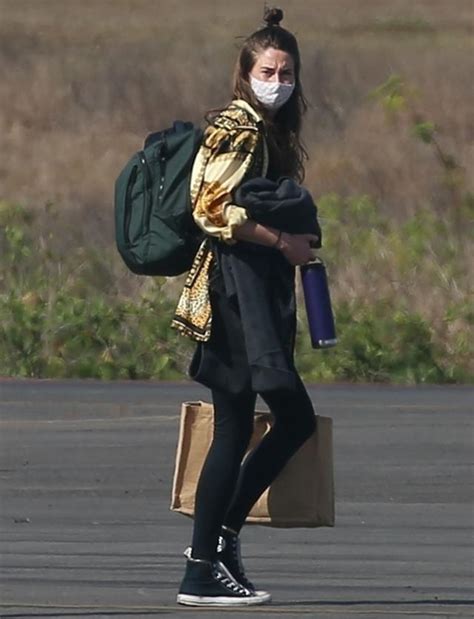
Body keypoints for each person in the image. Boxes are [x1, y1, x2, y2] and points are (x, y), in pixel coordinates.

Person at [171, 6, 320, 607]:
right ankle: (205, 560)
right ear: (245, 71)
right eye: (267, 69)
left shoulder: (267, 129)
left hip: (249, 295)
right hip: (235, 297)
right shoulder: (240, 128)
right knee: (269, 422)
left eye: (286, 72)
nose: (277, 81)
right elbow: (209, 208)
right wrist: (282, 241)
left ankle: (215, 550)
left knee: (247, 425)